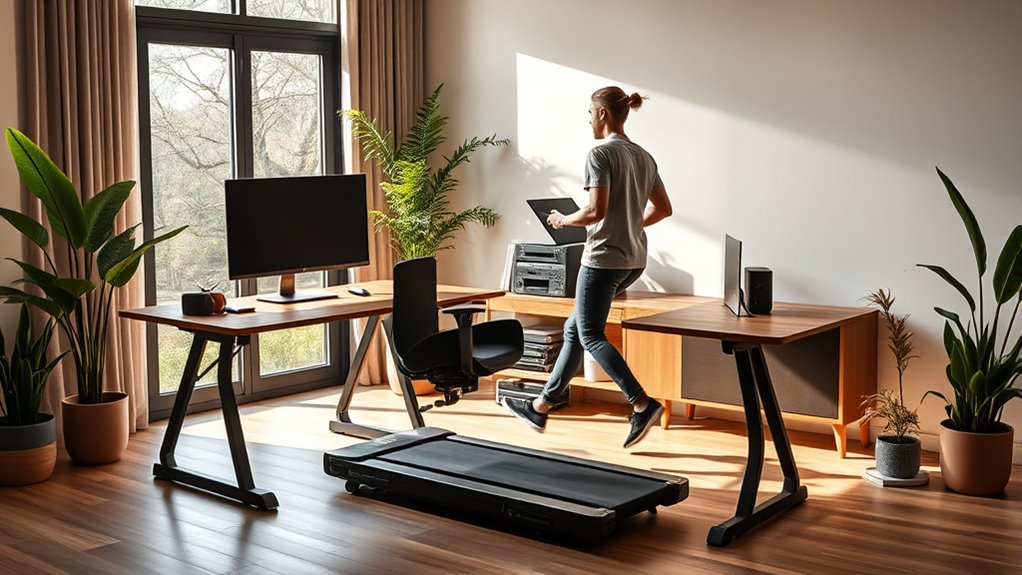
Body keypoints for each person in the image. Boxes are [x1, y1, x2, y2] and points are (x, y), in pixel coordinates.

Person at [503, 86, 674, 448]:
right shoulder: (644, 156)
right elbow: (663, 209)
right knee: (574, 330)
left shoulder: (600, 154)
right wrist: (629, 224)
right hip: (633, 260)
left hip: (603, 258)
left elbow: (595, 211)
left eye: (589, 113)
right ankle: (542, 405)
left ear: (601, 114)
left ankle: (642, 403)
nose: (588, 120)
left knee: (591, 335)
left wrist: (563, 221)